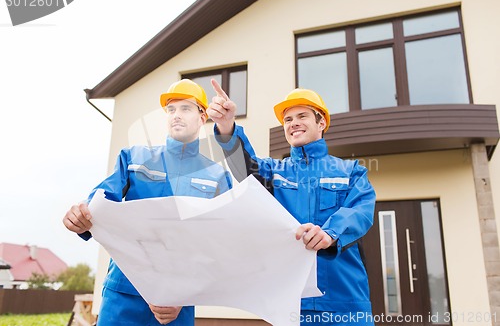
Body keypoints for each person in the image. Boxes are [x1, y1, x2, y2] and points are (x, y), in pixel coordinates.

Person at [62, 79, 232, 326]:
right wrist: (81, 217)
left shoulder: (217, 176)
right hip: (123, 294)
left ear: (202, 116)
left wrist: (183, 295)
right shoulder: (133, 158)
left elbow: (220, 243)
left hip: (177, 302)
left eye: (185, 108)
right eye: (171, 109)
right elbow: (100, 202)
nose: (176, 115)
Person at [207, 79, 376, 326]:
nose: (294, 123)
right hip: (292, 302)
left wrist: (330, 233)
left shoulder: (351, 171)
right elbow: (245, 167)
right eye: (288, 119)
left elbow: (360, 210)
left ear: (321, 123)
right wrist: (226, 127)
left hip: (345, 301)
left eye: (302, 116)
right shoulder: (275, 172)